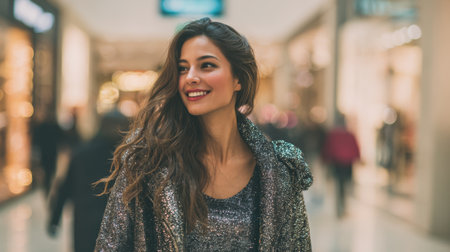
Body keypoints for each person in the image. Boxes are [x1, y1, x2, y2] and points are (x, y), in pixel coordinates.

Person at [95, 17, 313, 251]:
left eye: (206, 65)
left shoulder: (278, 170)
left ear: (238, 78)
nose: (190, 77)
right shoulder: (147, 162)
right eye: (183, 68)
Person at [47, 110, 129, 252]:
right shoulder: (127, 159)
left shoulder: (82, 153)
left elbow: (64, 188)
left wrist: (55, 220)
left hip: (85, 219)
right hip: (116, 224)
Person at [321, 113, 360, 218]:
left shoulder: (333, 134)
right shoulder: (349, 134)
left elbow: (328, 148)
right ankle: (342, 206)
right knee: (344, 184)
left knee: (339, 184)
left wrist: (325, 160)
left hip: (337, 162)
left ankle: (340, 206)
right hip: (346, 163)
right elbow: (355, 148)